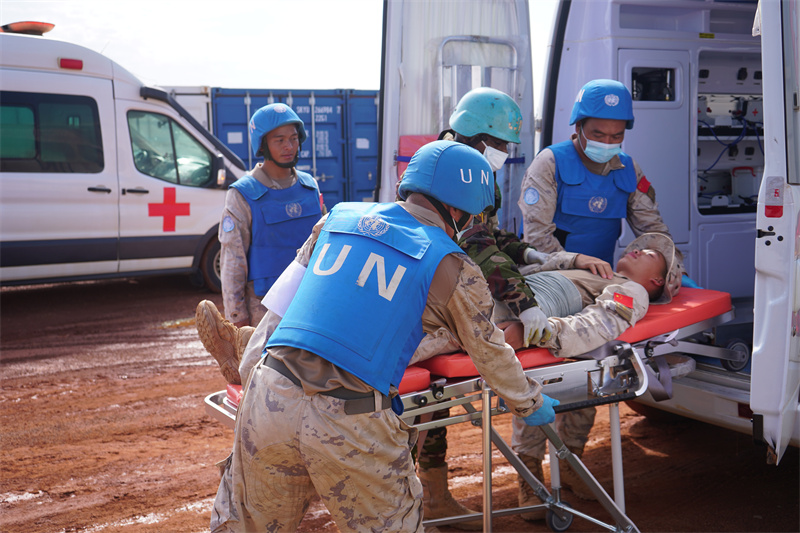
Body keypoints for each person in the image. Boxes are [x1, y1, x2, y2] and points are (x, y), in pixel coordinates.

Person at [209, 140, 560, 533]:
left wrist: (250, 382)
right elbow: (490, 349)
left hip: (269, 394)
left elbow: (277, 313)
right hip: (350, 418)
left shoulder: (336, 220)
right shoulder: (452, 264)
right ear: (460, 211)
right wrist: (528, 402)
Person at [412, 87, 552, 528]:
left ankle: (433, 497)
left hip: (444, 286)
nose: (504, 154)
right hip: (435, 290)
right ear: (476, 136)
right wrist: (525, 304)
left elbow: (488, 233)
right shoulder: (452, 171)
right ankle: (417, 498)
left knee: (432, 403)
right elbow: (474, 243)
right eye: (500, 145)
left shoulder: (465, 168)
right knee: (420, 404)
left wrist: (526, 253)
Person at [512, 232, 682, 520]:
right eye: (639, 248)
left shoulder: (632, 290)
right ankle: (556, 471)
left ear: (657, 281)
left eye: (650, 254)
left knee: (546, 394)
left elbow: (600, 322)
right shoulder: (596, 269)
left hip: (535, 323)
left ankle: (547, 474)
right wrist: (574, 260)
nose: (638, 250)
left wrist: (544, 332)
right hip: (514, 298)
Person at [199, 103, 325, 384]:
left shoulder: (310, 187)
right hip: (264, 309)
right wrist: (237, 318)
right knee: (266, 382)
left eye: (293, 138)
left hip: (310, 302)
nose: (289, 146)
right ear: (263, 144)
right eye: (279, 140)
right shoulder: (242, 194)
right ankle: (233, 355)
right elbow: (233, 261)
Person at [518, 79, 675, 265]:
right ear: (579, 127)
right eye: (598, 135)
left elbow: (652, 229)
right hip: (552, 272)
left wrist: (673, 268)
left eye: (616, 136)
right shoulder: (550, 163)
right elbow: (537, 237)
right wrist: (577, 268)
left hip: (602, 273)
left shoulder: (628, 168)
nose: (607, 143)